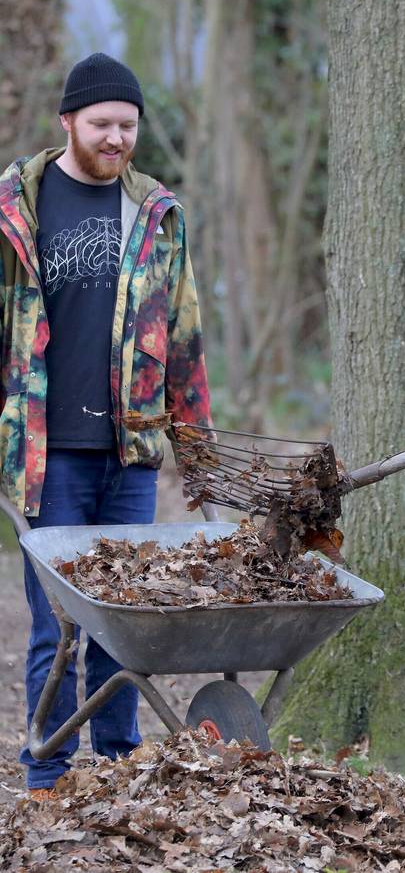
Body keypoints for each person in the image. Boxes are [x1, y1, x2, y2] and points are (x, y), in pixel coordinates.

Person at [0, 53, 213, 799]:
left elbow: (183, 337)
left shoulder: (155, 212)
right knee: (58, 625)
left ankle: (120, 768)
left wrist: (197, 449)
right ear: (68, 123)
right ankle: (49, 774)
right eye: (102, 124)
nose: (117, 137)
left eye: (128, 125)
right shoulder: (14, 208)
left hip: (131, 454)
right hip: (44, 454)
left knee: (125, 620)